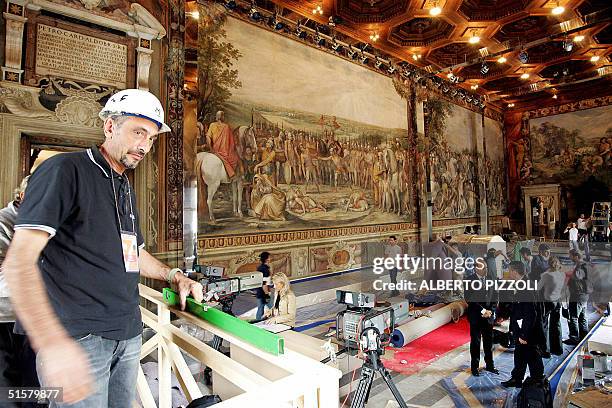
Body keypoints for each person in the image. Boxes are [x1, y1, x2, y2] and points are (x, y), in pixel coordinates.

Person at [2, 89, 204, 406]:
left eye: (151, 138)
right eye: (138, 132)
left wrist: (174, 275)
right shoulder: (65, 171)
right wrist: (52, 345)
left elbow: (132, 251)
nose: (145, 146)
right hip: (78, 341)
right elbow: (19, 263)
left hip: (126, 334)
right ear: (110, 127)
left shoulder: (123, 185)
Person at [0, 176, 40, 407]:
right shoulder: (3, 223)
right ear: (22, 196)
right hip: (5, 320)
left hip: (31, 322)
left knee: (37, 391)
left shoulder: (41, 226)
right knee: (7, 393)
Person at [501, 261, 545, 388]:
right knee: (519, 355)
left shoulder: (526, 289)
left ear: (515, 271)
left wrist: (524, 335)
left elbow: (530, 314)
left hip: (528, 333)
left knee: (532, 356)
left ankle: (537, 382)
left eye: (510, 270)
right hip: (522, 331)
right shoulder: (524, 284)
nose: (508, 273)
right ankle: (517, 379)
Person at [464, 263, 499, 376]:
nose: (486, 269)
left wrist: (491, 311)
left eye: (486, 267)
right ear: (476, 269)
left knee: (489, 341)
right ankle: (475, 367)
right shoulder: (469, 280)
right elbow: (469, 299)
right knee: (476, 342)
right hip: (476, 316)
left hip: (488, 316)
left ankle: (490, 365)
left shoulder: (491, 279)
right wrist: (483, 311)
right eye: (483, 267)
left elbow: (495, 296)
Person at [538, 256, 565, 356]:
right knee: (556, 325)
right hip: (557, 301)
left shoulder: (546, 275)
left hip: (548, 302)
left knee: (544, 325)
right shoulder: (562, 274)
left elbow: (538, 287)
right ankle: (557, 348)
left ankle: (545, 350)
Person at [564, 249, 591, 345]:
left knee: (574, 317)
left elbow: (577, 277)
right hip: (584, 295)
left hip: (578, 295)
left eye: (570, 255)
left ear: (576, 256)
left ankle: (574, 338)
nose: (569, 257)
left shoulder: (580, 266)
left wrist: (568, 275)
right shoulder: (584, 264)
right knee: (583, 316)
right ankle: (584, 336)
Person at [206, 110, 241, 178]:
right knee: (235, 158)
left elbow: (208, 137)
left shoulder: (212, 125)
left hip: (214, 149)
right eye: (223, 116)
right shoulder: (226, 126)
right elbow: (232, 142)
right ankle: (232, 176)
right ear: (222, 117)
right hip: (224, 151)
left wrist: (210, 147)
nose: (224, 117)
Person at [255, 251, 273, 321]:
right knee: (272, 307)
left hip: (259, 292)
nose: (270, 258)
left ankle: (258, 321)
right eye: (269, 257)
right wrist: (267, 294)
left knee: (260, 308)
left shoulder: (260, 268)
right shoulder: (265, 269)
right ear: (267, 259)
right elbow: (264, 283)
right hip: (263, 293)